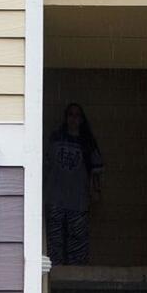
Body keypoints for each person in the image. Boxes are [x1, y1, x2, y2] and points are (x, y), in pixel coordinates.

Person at [44, 102, 104, 266]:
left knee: (77, 240)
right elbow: (45, 165)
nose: (73, 119)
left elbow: (96, 170)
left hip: (78, 200)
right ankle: (55, 271)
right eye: (70, 115)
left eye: (77, 115)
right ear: (65, 117)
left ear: (82, 119)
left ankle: (76, 273)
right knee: (55, 238)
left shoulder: (87, 143)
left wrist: (96, 191)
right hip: (54, 197)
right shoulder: (55, 139)